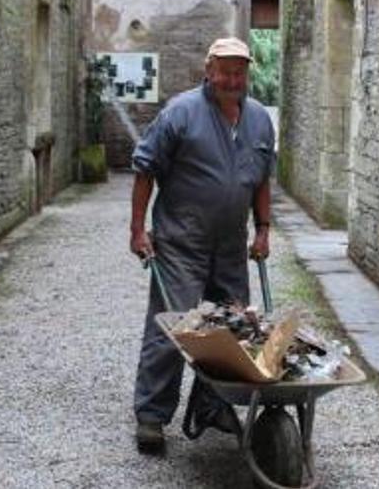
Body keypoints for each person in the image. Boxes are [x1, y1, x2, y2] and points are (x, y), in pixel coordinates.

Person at [128, 37, 275, 453]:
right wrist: (139, 229)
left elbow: (262, 178)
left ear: (247, 73)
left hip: (229, 246)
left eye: (239, 71)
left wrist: (262, 229)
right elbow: (145, 170)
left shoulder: (260, 120)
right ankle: (152, 417)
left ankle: (213, 405)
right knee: (175, 327)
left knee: (231, 329)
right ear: (208, 70)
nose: (232, 79)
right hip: (180, 242)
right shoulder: (181, 113)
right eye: (225, 70)